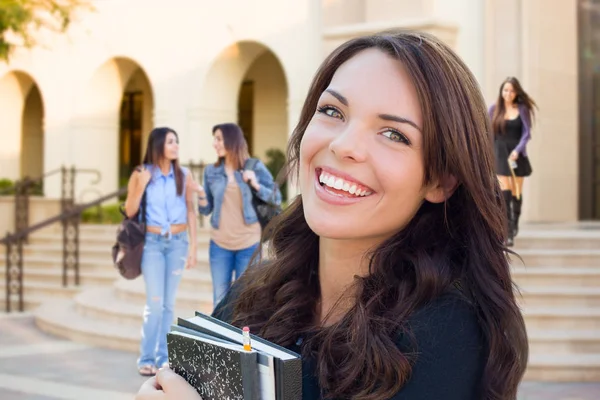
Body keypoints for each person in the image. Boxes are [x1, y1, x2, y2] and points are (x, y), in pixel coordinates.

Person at [136, 30, 528, 400]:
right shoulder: (250, 296)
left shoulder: (448, 336)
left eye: (394, 134)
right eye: (332, 111)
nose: (343, 145)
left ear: (441, 180)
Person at [124, 127, 198, 377]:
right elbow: (130, 210)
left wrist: (194, 247)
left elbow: (190, 211)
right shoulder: (141, 173)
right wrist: (140, 186)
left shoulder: (184, 175)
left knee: (168, 304)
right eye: (170, 141)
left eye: (177, 141)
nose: (176, 145)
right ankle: (146, 357)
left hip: (178, 243)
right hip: (153, 244)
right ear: (158, 145)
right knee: (155, 303)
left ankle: (163, 358)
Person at [193, 123, 281, 307]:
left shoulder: (254, 167)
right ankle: (220, 336)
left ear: (232, 140)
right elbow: (206, 209)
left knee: (245, 300)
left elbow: (276, 197)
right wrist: (201, 194)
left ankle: (241, 336)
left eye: (218, 139)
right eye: (214, 139)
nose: (214, 144)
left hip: (249, 244)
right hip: (219, 245)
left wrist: (255, 184)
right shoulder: (211, 171)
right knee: (220, 300)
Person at [489, 77, 537, 246]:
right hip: (500, 154)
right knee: (505, 194)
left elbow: (526, 134)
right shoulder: (494, 109)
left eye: (511, 90)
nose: (508, 93)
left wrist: (517, 150)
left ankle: (515, 222)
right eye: (505, 90)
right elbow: (488, 133)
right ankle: (507, 232)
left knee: (516, 192)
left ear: (516, 92)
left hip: (517, 156)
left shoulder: (522, 109)